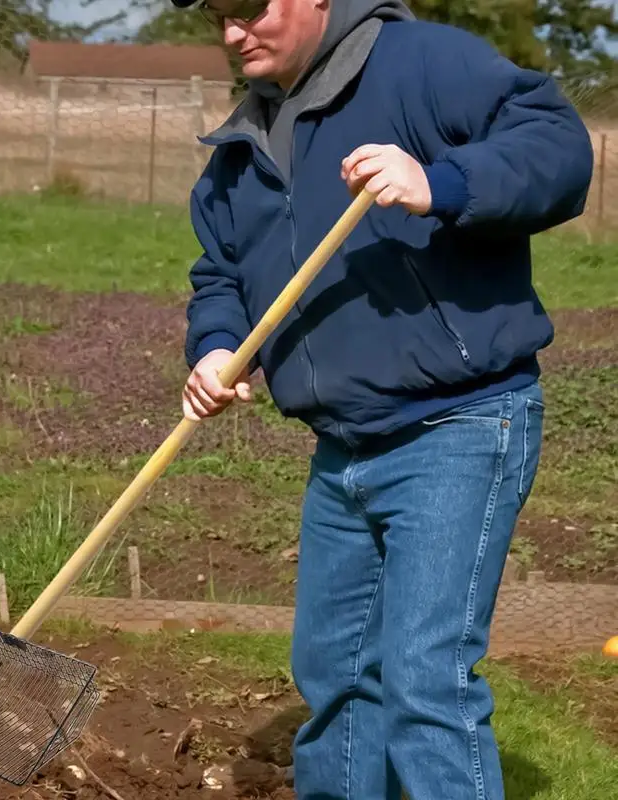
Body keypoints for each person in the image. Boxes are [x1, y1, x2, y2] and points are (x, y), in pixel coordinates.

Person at [171, 0, 594, 798]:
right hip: (343, 447)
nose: (234, 34)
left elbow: (560, 149)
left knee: (424, 679)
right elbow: (221, 273)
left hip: (460, 424)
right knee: (334, 673)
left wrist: (440, 181)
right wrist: (219, 346)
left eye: (249, 8)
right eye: (221, 17)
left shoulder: (421, 64)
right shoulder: (241, 146)